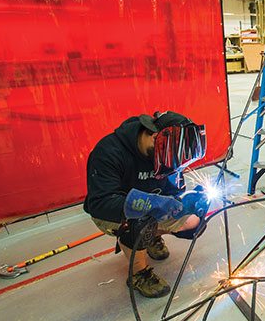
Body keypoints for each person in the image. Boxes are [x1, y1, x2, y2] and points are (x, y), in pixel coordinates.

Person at [84, 111, 209, 298]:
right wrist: (151, 204)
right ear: (153, 137)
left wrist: (186, 202)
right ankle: (138, 274)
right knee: (141, 223)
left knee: (193, 222)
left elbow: (169, 189)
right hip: (113, 213)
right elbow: (100, 203)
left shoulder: (166, 152)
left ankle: (149, 237)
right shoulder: (109, 151)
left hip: (152, 210)